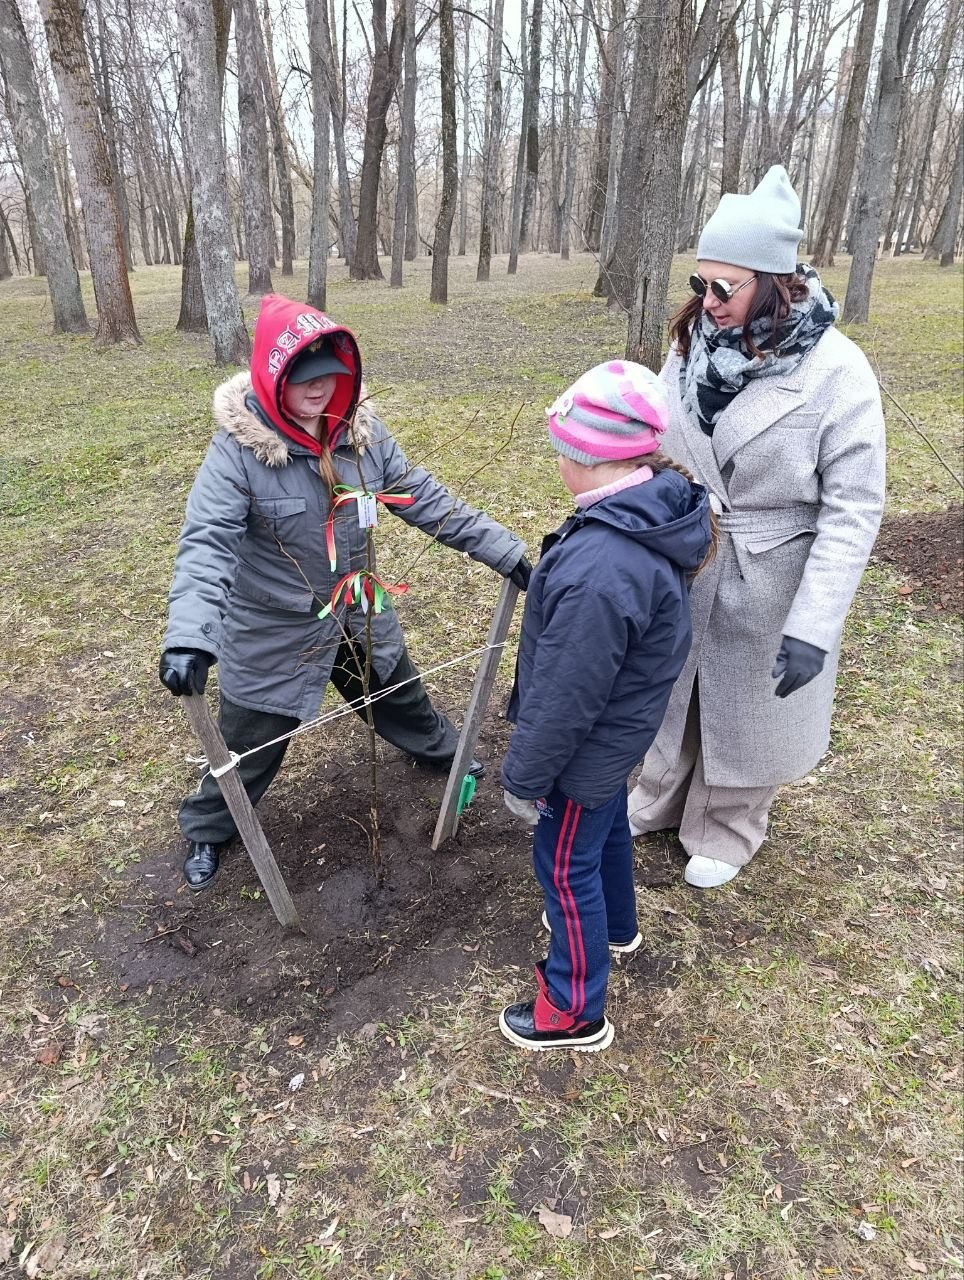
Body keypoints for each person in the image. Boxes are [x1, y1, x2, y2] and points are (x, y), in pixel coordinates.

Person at [159, 294, 531, 891]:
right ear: (274, 375)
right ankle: (209, 825)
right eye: (304, 378)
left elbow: (422, 497)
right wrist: (188, 638)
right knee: (250, 741)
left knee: (398, 691)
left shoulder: (365, 435)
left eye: (331, 376)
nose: (319, 390)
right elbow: (207, 543)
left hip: (358, 611)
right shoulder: (236, 454)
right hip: (274, 630)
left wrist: (506, 551)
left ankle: (436, 749)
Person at [627, 165, 886, 889]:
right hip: (686, 552)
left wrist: (814, 624)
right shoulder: (690, 350)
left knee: (744, 702)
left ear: (774, 282)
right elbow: (655, 437)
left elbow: (855, 506)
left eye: (723, 288)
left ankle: (730, 822)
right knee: (674, 684)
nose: (705, 303)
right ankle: (656, 795)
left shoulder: (837, 371)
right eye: (698, 284)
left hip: (772, 569)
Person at [499, 361, 714, 1052]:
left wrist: (525, 777)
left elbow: (566, 695)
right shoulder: (647, 511)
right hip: (620, 738)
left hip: (583, 754)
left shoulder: (602, 565)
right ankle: (618, 925)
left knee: (564, 867)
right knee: (604, 832)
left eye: (563, 449)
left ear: (588, 457)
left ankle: (573, 1008)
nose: (558, 461)